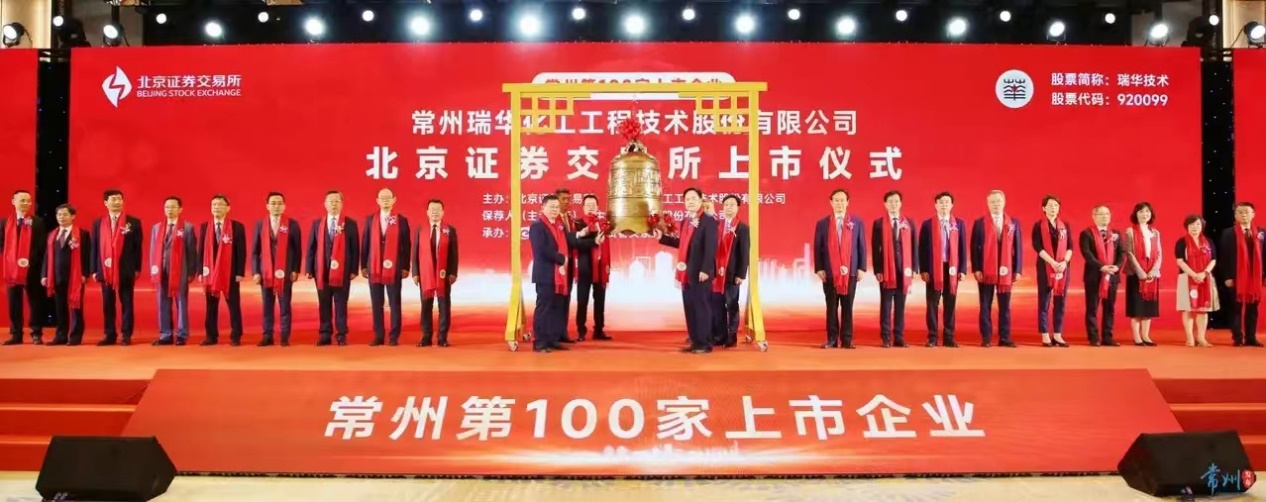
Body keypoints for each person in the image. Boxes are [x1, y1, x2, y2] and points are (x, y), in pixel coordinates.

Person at [653, 187, 718, 354]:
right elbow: (681, 244)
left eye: (693, 198)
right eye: (687, 199)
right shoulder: (685, 221)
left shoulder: (708, 220)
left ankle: (704, 343)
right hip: (686, 273)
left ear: (701, 200)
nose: (690, 201)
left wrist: (706, 269)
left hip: (701, 273)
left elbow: (711, 247)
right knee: (690, 307)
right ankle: (695, 341)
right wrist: (662, 237)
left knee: (702, 307)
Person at [529, 195, 588, 353]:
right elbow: (540, 250)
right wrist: (561, 258)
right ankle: (540, 342)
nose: (555, 210)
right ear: (543, 207)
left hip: (559, 275)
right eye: (551, 207)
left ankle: (553, 339)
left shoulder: (559, 225)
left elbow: (567, 240)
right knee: (544, 308)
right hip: (546, 274)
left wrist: (581, 235)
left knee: (556, 308)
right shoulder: (537, 226)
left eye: (556, 207)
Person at [813, 188, 867, 349]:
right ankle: (832, 339)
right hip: (829, 272)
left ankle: (847, 339)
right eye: (836, 200)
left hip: (851, 271)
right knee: (831, 306)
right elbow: (818, 247)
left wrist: (861, 267)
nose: (839, 203)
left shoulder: (857, 223)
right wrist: (819, 268)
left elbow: (861, 246)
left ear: (847, 202)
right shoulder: (823, 224)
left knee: (848, 306)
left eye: (842, 200)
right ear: (831, 202)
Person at [306, 190, 359, 347]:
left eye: (337, 201)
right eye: (331, 201)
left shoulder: (350, 224)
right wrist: (309, 268)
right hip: (322, 271)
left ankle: (341, 334)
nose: (334, 204)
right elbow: (311, 248)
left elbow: (354, 249)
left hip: (342, 271)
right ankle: (325, 334)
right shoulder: (317, 223)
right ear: (325, 204)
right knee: (324, 304)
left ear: (341, 204)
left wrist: (353, 270)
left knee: (341, 303)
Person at [91, 189, 143, 346]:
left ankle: (126, 334)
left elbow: (137, 248)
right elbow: (94, 247)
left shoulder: (133, 222)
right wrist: (94, 269)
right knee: (108, 303)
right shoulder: (98, 223)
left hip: (125, 269)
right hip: (105, 269)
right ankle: (109, 334)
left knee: (127, 303)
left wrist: (137, 268)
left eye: (119, 199)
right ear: (106, 203)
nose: (117, 202)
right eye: (113, 199)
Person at [971, 190, 1021, 348]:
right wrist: (976, 269)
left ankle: (1004, 337)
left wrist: (1017, 269)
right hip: (986, 270)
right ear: (988, 204)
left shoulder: (1013, 222)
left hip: (1006, 270)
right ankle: (986, 337)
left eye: (998, 201)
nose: (996, 204)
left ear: (1004, 202)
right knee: (985, 304)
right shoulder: (980, 223)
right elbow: (974, 248)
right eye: (992, 202)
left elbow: (1018, 247)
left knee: (1005, 306)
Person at [251, 192, 302, 347]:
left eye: (279, 203)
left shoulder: (292, 224)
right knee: (267, 305)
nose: (276, 206)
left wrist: (295, 269)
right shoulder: (260, 225)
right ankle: (267, 336)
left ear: (284, 206)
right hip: (265, 272)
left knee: (285, 305)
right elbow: (255, 251)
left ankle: (284, 336)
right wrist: (255, 272)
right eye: (273, 203)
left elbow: (297, 250)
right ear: (267, 206)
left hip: (285, 272)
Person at [362, 188, 411, 346]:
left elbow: (406, 245)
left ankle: (394, 336)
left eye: (388, 197)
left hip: (394, 267)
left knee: (394, 302)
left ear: (394, 199)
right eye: (382, 198)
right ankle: (378, 335)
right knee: (376, 303)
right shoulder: (370, 220)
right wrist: (363, 265)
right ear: (377, 200)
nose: (385, 200)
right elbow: (365, 243)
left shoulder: (401, 220)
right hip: (374, 266)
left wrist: (405, 266)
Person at [919, 192, 966, 347]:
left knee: (950, 302)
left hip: (952, 269)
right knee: (932, 303)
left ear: (952, 205)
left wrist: (962, 269)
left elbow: (962, 248)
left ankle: (949, 336)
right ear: (936, 205)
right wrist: (924, 269)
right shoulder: (927, 224)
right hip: (933, 268)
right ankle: (932, 336)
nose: (944, 205)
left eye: (947, 202)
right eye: (941, 202)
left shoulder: (959, 224)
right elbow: (922, 249)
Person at [872, 190, 919, 348]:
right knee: (886, 305)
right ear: (885, 204)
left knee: (900, 305)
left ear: (901, 203)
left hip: (904, 271)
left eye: (896, 201)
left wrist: (914, 268)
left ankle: (899, 337)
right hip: (886, 271)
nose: (893, 204)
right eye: (890, 201)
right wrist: (878, 270)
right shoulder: (879, 224)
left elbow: (914, 246)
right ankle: (886, 337)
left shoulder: (909, 223)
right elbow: (875, 248)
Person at [199, 194, 247, 346]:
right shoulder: (205, 227)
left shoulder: (237, 227)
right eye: (214, 204)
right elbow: (200, 251)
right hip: (210, 273)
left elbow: (241, 252)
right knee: (211, 306)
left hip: (230, 273)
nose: (217, 207)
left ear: (228, 208)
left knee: (233, 305)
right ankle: (211, 336)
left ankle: (236, 336)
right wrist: (200, 272)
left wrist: (239, 272)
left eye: (220, 204)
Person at [150, 197, 199, 346]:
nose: (169, 210)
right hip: (161, 270)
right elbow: (153, 250)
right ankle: (165, 335)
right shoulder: (157, 227)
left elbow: (192, 252)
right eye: (167, 207)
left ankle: (182, 334)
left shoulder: (187, 228)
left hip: (180, 271)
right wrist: (153, 269)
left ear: (180, 209)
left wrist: (191, 272)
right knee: (162, 302)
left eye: (172, 207)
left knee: (181, 302)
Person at [41, 205, 90, 346]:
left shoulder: (82, 234)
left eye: (65, 214)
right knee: (60, 307)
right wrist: (44, 275)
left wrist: (85, 273)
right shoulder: (52, 235)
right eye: (59, 214)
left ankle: (75, 336)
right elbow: (46, 256)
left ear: (73, 216)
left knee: (76, 307)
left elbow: (87, 255)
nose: (61, 217)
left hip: (75, 276)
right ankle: (61, 335)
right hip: (56, 276)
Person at [411, 199, 457, 347]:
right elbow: (415, 252)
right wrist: (415, 272)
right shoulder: (421, 230)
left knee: (444, 306)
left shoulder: (449, 230)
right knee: (426, 306)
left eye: (438, 209)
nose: (435, 212)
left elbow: (454, 253)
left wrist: (453, 272)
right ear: (427, 212)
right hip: (425, 274)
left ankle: (442, 337)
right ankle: (426, 337)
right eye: (432, 209)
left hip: (444, 274)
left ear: (443, 212)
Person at [1, 190, 45, 345]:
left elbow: (41, 246)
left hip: (32, 269)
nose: (26, 203)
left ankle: (36, 333)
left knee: (35, 301)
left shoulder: (37, 222)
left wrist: (28, 261)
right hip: (12, 270)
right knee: (14, 302)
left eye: (28, 201)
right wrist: (12, 259)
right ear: (13, 202)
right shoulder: (5, 222)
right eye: (22, 200)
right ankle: (16, 334)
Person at [1218, 202, 1264, 347]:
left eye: (1246, 212)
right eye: (1240, 212)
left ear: (1253, 214)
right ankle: (1237, 337)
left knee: (1252, 309)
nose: (1243, 215)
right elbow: (1223, 257)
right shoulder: (1228, 233)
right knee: (1235, 308)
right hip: (1236, 277)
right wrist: (1227, 277)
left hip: (1255, 277)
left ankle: (1251, 338)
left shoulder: (1262, 233)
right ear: (1235, 215)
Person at [1079, 205, 1126, 346]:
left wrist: (1116, 267)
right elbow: (1087, 254)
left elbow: (1122, 253)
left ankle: (1107, 337)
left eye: (1107, 214)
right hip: (1094, 276)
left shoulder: (1116, 234)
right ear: (1094, 217)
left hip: (1112, 276)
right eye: (1101, 214)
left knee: (1109, 308)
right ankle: (1094, 337)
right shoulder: (1087, 234)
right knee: (1092, 308)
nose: (1105, 216)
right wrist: (1102, 267)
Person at [1033, 195, 1073, 347]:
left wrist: (1064, 262)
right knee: (1044, 301)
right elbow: (1037, 247)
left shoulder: (1065, 225)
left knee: (1060, 301)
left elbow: (1070, 247)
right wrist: (1052, 262)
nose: (1053, 208)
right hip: (1045, 266)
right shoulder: (1038, 225)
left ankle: (1057, 334)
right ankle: (1045, 335)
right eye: (1050, 205)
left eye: (1056, 205)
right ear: (1043, 208)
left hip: (1063, 268)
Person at [711, 195, 749, 348]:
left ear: (738, 207)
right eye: (726, 204)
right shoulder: (717, 225)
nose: (729, 207)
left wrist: (741, 274)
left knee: (732, 305)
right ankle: (720, 336)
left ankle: (732, 336)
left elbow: (744, 253)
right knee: (717, 306)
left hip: (732, 274)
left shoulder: (742, 228)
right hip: (716, 274)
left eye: (732, 204)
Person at [1176, 215, 1218, 347]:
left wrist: (1204, 273)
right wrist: (1194, 274)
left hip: (1205, 278)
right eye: (1192, 225)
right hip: (1186, 278)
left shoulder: (1209, 241)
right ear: (1187, 227)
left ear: (1202, 226)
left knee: (1203, 309)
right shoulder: (1181, 242)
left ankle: (1201, 338)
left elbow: (1213, 259)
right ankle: (1190, 338)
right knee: (1187, 309)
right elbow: (1180, 261)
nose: (1195, 227)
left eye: (1198, 224)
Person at [574, 194, 612, 342]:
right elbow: (578, 244)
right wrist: (593, 239)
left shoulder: (603, 224)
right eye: (588, 205)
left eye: (593, 204)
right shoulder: (578, 224)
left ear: (597, 207)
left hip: (601, 267)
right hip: (585, 268)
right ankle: (581, 331)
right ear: (583, 207)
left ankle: (599, 330)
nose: (591, 207)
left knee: (600, 300)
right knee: (582, 301)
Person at [1123, 202, 1162, 346]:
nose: (1145, 214)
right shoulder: (1130, 232)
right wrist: (1141, 272)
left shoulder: (1155, 233)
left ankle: (1146, 336)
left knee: (1148, 308)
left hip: (1151, 276)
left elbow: (1159, 253)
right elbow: (1129, 253)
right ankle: (1137, 337)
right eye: (1141, 212)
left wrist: (1153, 271)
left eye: (1147, 212)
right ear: (1136, 214)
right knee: (1137, 307)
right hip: (1136, 274)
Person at [555, 188, 582, 344]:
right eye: (563, 199)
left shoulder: (571, 219)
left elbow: (574, 241)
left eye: (568, 199)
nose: (567, 202)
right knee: (557, 299)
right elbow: (566, 238)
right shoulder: (554, 219)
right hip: (558, 265)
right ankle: (553, 333)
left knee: (566, 298)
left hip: (571, 264)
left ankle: (563, 332)